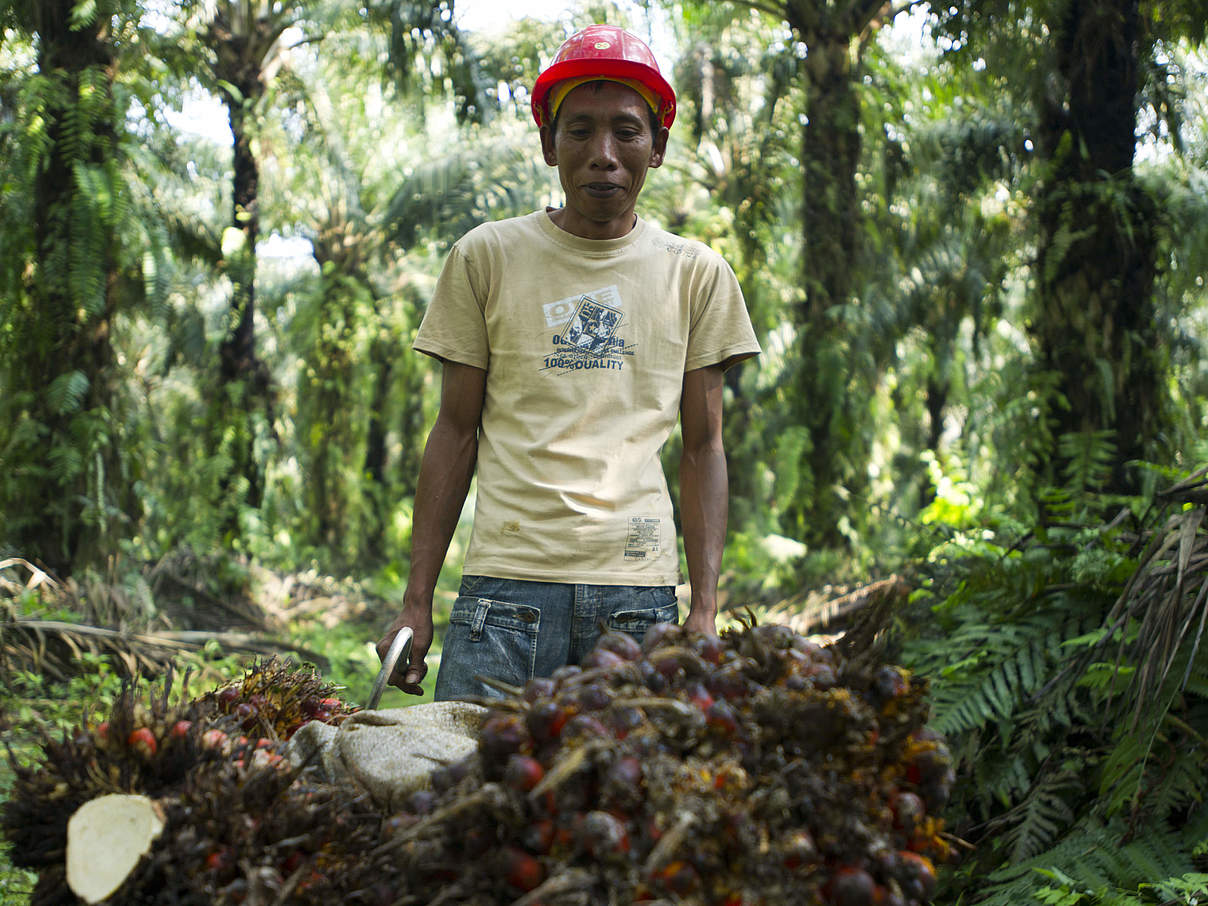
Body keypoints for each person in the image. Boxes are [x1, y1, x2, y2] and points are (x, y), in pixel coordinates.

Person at [375, 23, 761, 701]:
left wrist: (703, 609)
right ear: (550, 144)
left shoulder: (695, 273)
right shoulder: (485, 257)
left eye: (627, 131)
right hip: (503, 596)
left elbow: (705, 448)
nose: (603, 154)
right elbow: (454, 432)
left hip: (637, 602)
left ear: (659, 145)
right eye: (579, 131)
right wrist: (417, 600)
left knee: (629, 800)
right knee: (470, 799)